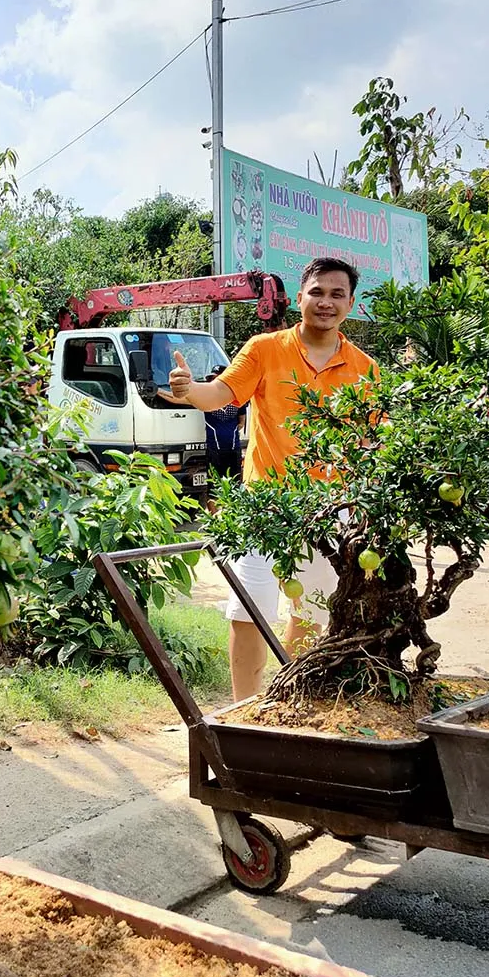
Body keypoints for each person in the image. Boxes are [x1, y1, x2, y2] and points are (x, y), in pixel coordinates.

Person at [160, 257, 377, 701]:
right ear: (300, 297)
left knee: (313, 612)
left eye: (337, 294)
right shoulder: (264, 348)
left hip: (330, 512)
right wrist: (188, 391)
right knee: (248, 611)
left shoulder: (365, 368)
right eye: (317, 292)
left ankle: (296, 698)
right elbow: (221, 393)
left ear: (350, 304)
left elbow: (370, 443)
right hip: (264, 509)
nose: (326, 302)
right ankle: (245, 710)